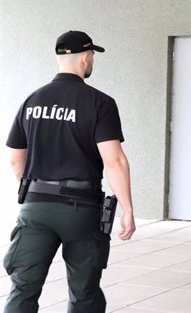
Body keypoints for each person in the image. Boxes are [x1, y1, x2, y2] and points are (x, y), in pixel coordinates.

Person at [3, 31, 136, 312]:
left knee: (23, 289)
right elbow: (114, 160)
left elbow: (16, 158)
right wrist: (127, 210)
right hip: (81, 209)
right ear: (86, 58)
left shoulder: (33, 100)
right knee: (84, 291)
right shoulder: (100, 102)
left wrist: (33, 189)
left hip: (35, 207)